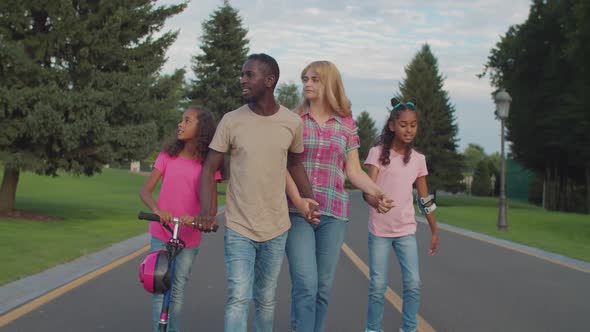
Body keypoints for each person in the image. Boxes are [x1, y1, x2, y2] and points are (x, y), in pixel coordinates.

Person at [197, 53, 318, 332]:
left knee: (265, 299)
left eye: (249, 75)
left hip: (276, 227)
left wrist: (309, 198)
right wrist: (208, 212)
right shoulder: (231, 120)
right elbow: (209, 169)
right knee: (238, 297)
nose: (242, 79)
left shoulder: (291, 122)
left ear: (269, 80)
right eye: (242, 74)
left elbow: (296, 163)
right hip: (239, 225)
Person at [285, 60, 393, 332]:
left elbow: (353, 171)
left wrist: (377, 192)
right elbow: (283, 164)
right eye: (305, 79)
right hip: (297, 211)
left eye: (314, 79)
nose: (307, 83)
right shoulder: (293, 120)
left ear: (329, 84)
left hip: (333, 213)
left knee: (322, 287)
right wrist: (298, 199)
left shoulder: (347, 125)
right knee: (305, 284)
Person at [139, 106, 222, 332]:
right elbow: (145, 191)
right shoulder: (168, 156)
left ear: (201, 128)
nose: (180, 124)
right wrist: (157, 209)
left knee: (175, 291)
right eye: (181, 120)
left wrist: (196, 219)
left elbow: (212, 210)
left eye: (187, 120)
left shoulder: (208, 165)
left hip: (188, 238)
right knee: (159, 288)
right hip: (161, 233)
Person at [363, 98, 439, 332]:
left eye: (413, 125)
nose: (409, 129)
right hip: (380, 231)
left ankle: (409, 328)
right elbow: (367, 190)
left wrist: (434, 229)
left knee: (413, 284)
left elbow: (424, 198)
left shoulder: (418, 160)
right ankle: (373, 329)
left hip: (406, 230)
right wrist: (376, 201)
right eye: (404, 124)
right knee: (378, 285)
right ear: (392, 126)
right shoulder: (377, 153)